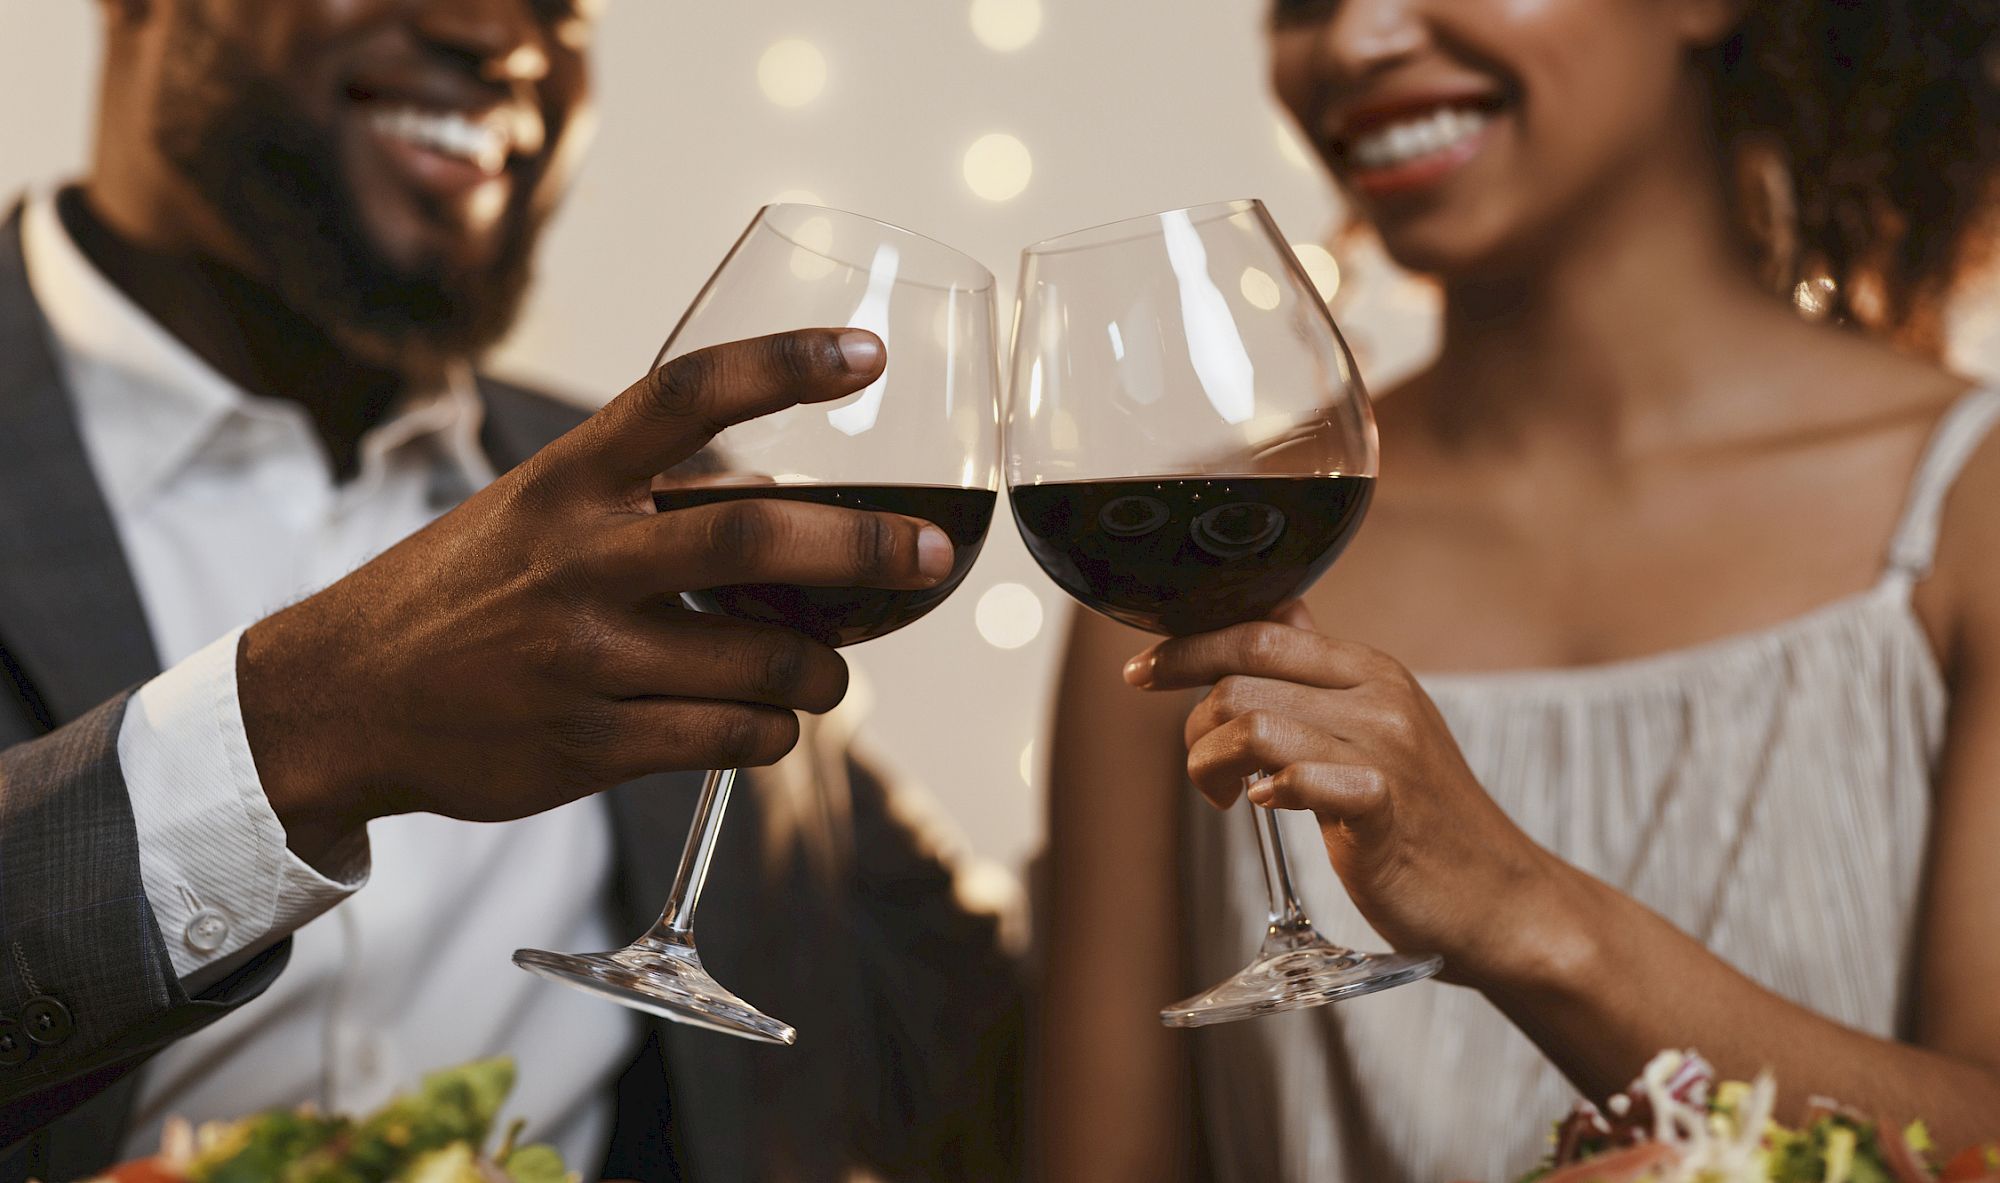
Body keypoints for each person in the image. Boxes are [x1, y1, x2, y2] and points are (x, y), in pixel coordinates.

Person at [0, 2, 1019, 1180]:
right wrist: (294, 731)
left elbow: (985, 1045)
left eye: (562, 7)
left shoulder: (667, 521)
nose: (500, 35)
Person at [1037, 0, 2000, 1179]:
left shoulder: (1968, 515)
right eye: (1299, 2)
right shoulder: (1170, 591)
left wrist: (1520, 907)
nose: (1352, 43)